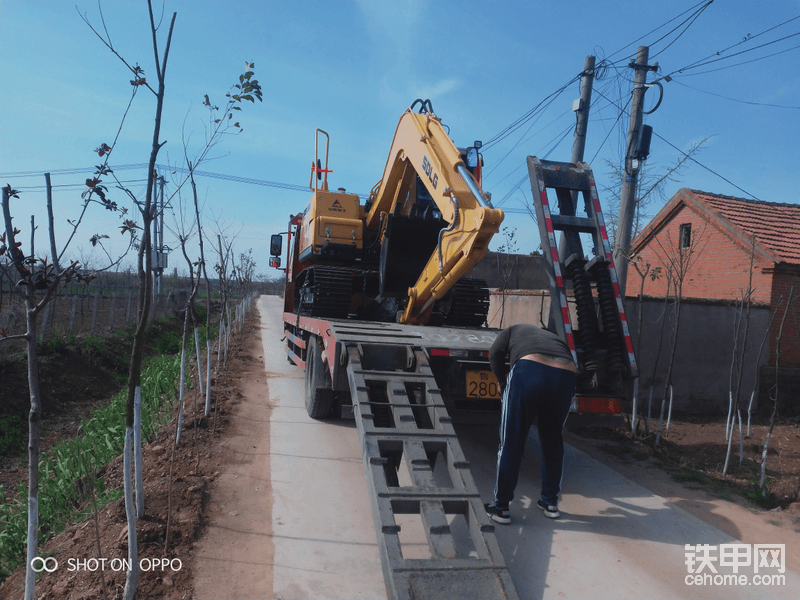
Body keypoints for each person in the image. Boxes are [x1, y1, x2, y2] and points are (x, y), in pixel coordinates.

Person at [484, 323, 577, 524]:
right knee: (553, 442)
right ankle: (550, 503)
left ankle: (500, 508)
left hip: (529, 370)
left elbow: (494, 354)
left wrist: (502, 381)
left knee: (512, 441)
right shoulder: (552, 337)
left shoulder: (511, 330)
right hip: (565, 376)